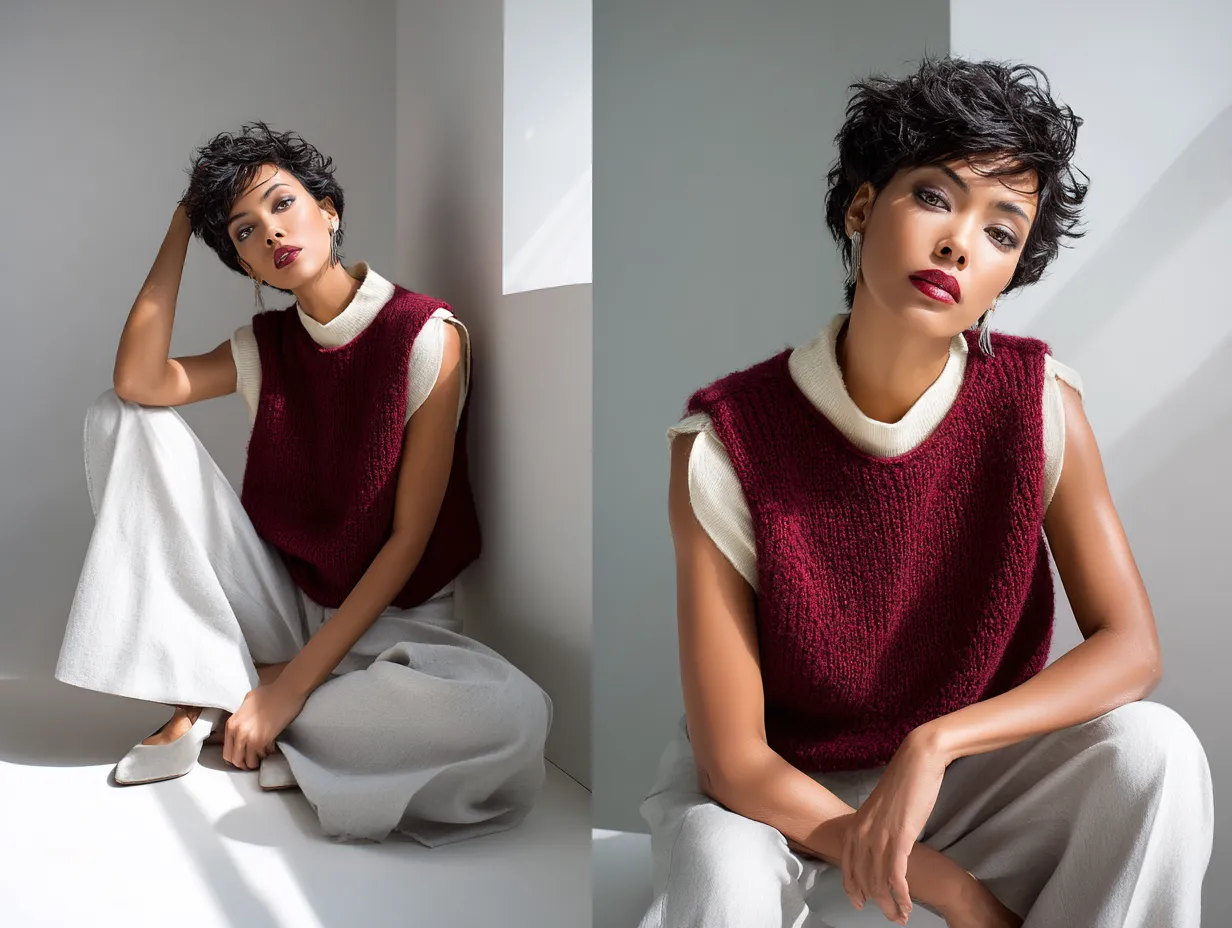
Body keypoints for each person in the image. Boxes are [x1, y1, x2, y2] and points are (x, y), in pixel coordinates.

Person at [636, 56, 1213, 927]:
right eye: (936, 198)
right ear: (863, 206)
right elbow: (734, 764)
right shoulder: (725, 443)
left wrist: (938, 742)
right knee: (719, 865)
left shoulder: (1037, 403)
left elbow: (1132, 648)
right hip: (782, 810)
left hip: (959, 787)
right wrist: (956, 891)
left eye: (1002, 232)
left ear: (1010, 273)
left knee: (1156, 750)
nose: (958, 244)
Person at [54, 121, 552, 845]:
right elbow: (139, 380)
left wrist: (291, 688)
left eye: (284, 205)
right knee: (120, 415)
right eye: (246, 233)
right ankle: (262, 695)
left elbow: (410, 541)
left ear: (328, 209)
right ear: (247, 266)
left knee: (516, 716)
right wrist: (179, 229)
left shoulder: (426, 336)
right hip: (284, 598)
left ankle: (228, 694)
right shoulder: (267, 346)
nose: (273, 235)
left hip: (395, 627)